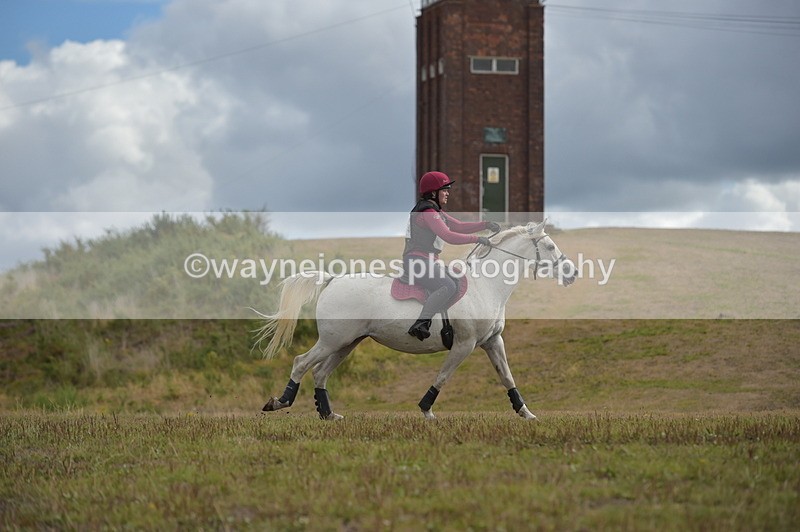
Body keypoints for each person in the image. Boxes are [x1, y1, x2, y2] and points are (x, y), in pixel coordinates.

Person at [403, 171, 501, 341]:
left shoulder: (436, 212)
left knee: (456, 279)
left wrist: (485, 225)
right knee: (447, 285)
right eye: (444, 190)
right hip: (417, 262)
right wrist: (477, 239)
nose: (448, 193)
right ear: (433, 193)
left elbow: (459, 226)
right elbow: (448, 235)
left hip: (427, 261)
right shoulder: (428, 212)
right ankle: (421, 323)